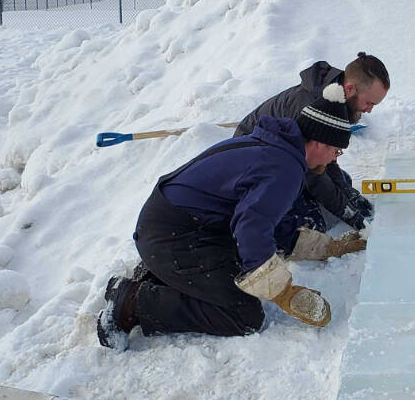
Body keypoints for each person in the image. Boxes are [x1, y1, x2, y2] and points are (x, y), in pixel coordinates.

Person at [97, 84, 367, 351]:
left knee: (242, 261)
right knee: (242, 315)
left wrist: (326, 248)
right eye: (336, 151)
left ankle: (159, 274)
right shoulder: (283, 168)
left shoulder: (278, 149)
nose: (334, 159)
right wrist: (282, 291)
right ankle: (134, 302)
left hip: (177, 224)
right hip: (175, 234)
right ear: (320, 142)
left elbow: (268, 220)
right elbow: (252, 228)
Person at [233, 52, 389, 252]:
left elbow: (326, 158)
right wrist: (347, 212)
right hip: (255, 167)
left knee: (343, 182)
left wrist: (347, 194)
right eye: (369, 103)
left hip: (290, 160)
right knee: (313, 221)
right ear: (350, 88)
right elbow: (314, 174)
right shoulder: (310, 107)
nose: (369, 110)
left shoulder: (338, 98)